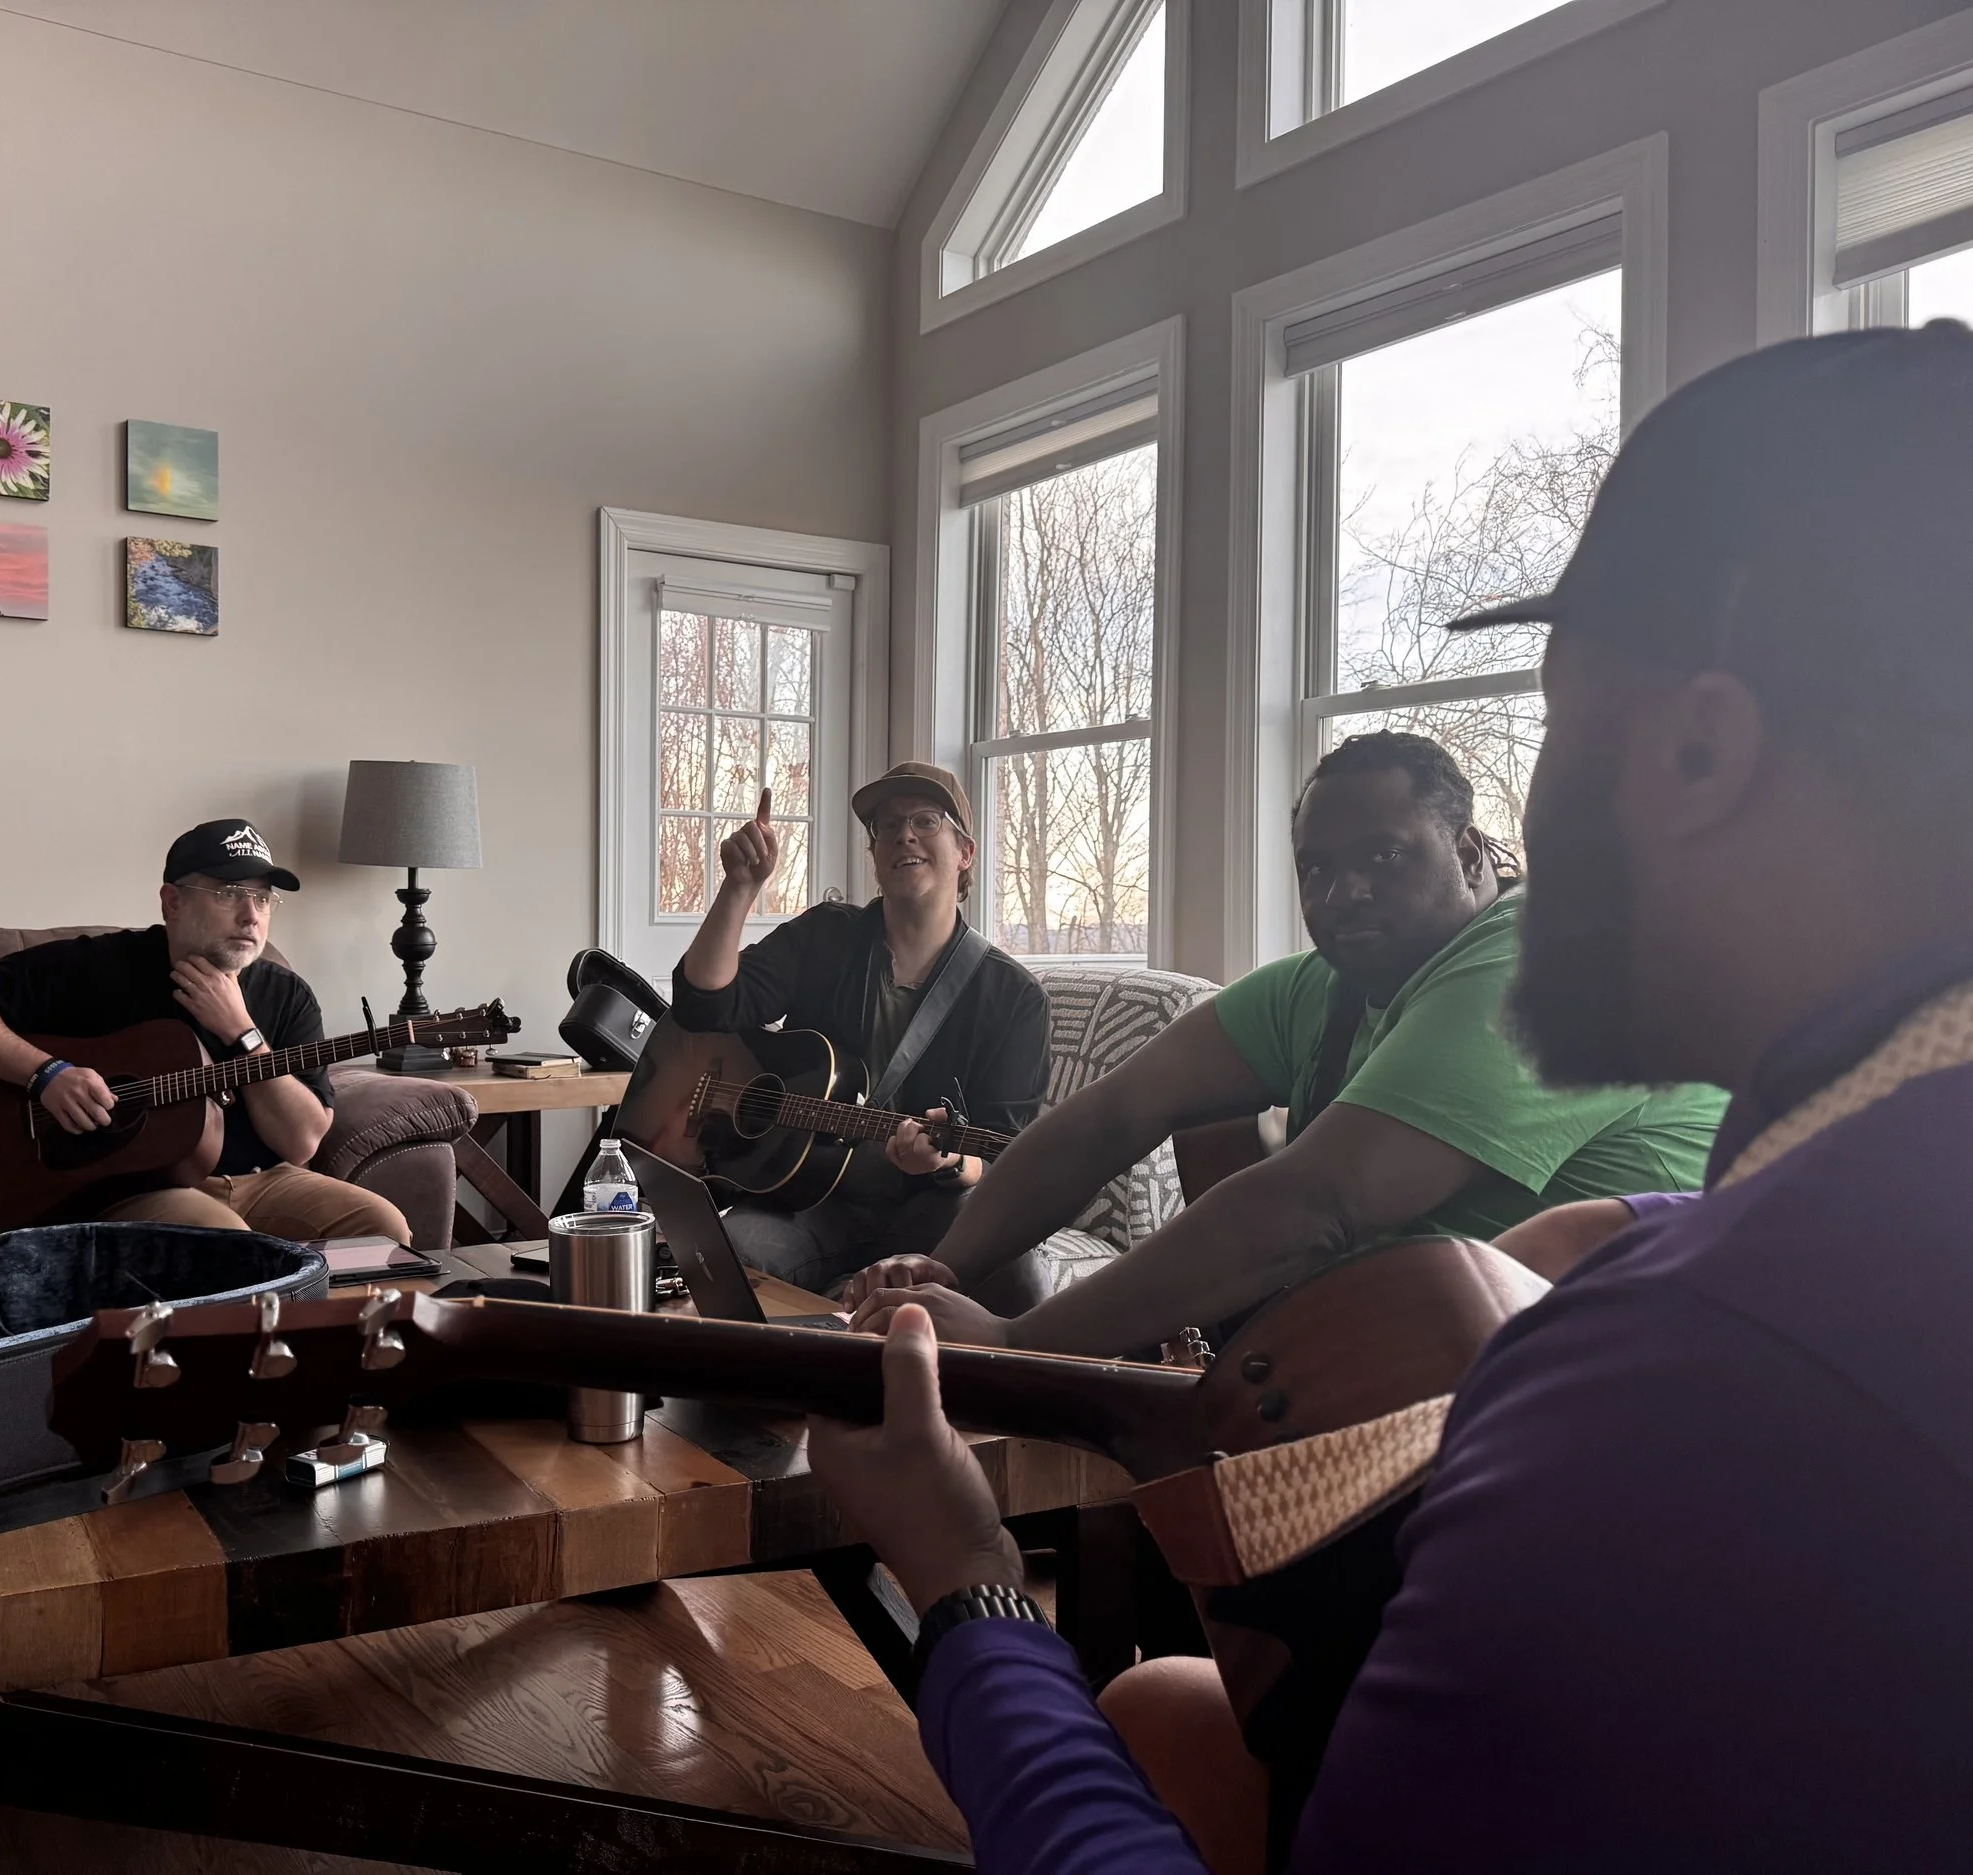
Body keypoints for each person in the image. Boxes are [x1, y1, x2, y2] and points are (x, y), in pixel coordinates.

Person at [807, 323, 1973, 1870]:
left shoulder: (1680, 1378)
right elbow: (1109, 1121)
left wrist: (967, 1580)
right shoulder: (1832, 1210)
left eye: (1560, 724)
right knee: (1163, 1709)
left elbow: (1327, 1194)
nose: (1541, 807)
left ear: (1698, 753)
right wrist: (1633, 1220)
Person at [843, 732, 1725, 1356]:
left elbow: (1318, 1205)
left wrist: (1017, 1339)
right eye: (1316, 867)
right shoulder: (1327, 986)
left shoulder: (1538, 961)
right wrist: (945, 1262)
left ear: (1467, 852)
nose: (1341, 893)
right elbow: (1111, 1114)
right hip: (1401, 1365)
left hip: (1608, 1386)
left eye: (1383, 858)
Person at [0, 818, 411, 1244]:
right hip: (137, 1188)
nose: (251, 916)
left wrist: (241, 1030)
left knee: (383, 1229)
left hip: (263, 1180)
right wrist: (47, 1073)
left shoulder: (286, 994)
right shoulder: (97, 966)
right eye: (230, 894)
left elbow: (301, 1143)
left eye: (262, 899)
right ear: (172, 902)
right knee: (226, 1241)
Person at [668, 762, 1050, 1301]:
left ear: (965, 852)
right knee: (717, 1256)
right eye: (886, 826)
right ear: (874, 854)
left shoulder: (1014, 997)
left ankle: (866, 1300)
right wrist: (739, 889)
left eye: (925, 820)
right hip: (804, 1202)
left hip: (931, 1214)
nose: (903, 835)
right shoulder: (826, 935)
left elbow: (1003, 1153)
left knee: (1016, 1273)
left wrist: (947, 1161)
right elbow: (704, 1006)